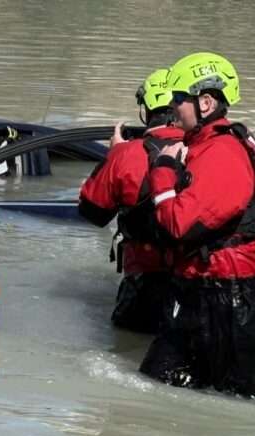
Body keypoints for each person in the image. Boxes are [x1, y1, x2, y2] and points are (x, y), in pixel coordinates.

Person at [140, 52, 255, 398]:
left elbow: (178, 226)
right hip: (206, 291)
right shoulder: (205, 147)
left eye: (179, 100)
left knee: (235, 406)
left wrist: (162, 171)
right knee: (156, 385)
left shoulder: (222, 155)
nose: (174, 109)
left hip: (229, 300)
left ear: (206, 101)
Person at [78, 68, 184, 334]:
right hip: (199, 280)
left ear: (146, 110)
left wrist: (114, 155)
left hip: (145, 280)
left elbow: (93, 212)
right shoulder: (209, 149)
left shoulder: (127, 154)